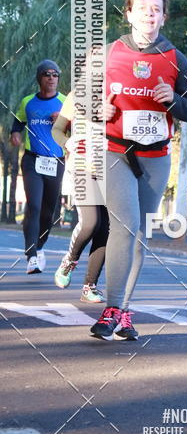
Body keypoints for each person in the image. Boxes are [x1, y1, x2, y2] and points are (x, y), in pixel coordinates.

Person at [90, 0, 187, 341]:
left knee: (138, 236)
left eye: (156, 9)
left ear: (164, 17)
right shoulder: (107, 54)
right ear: (128, 13)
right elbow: (80, 104)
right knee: (124, 225)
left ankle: (124, 313)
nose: (149, 13)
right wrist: (97, 110)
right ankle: (111, 310)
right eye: (142, 7)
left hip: (155, 158)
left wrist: (173, 99)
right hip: (114, 151)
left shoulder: (176, 59)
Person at [51, 90, 108, 302]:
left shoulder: (122, 90)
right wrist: (67, 142)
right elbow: (57, 130)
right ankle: (69, 261)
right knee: (91, 223)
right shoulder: (78, 95)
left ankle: (89, 286)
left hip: (111, 170)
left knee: (106, 228)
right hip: (82, 167)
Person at [10, 60, 66, 274]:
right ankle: (31, 256)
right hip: (32, 160)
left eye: (55, 75)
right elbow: (19, 120)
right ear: (39, 78)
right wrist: (14, 133)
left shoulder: (65, 103)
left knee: (48, 212)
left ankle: (40, 247)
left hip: (56, 161)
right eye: (47, 74)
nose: (51, 78)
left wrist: (62, 121)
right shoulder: (28, 102)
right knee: (33, 206)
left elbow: (80, 129)